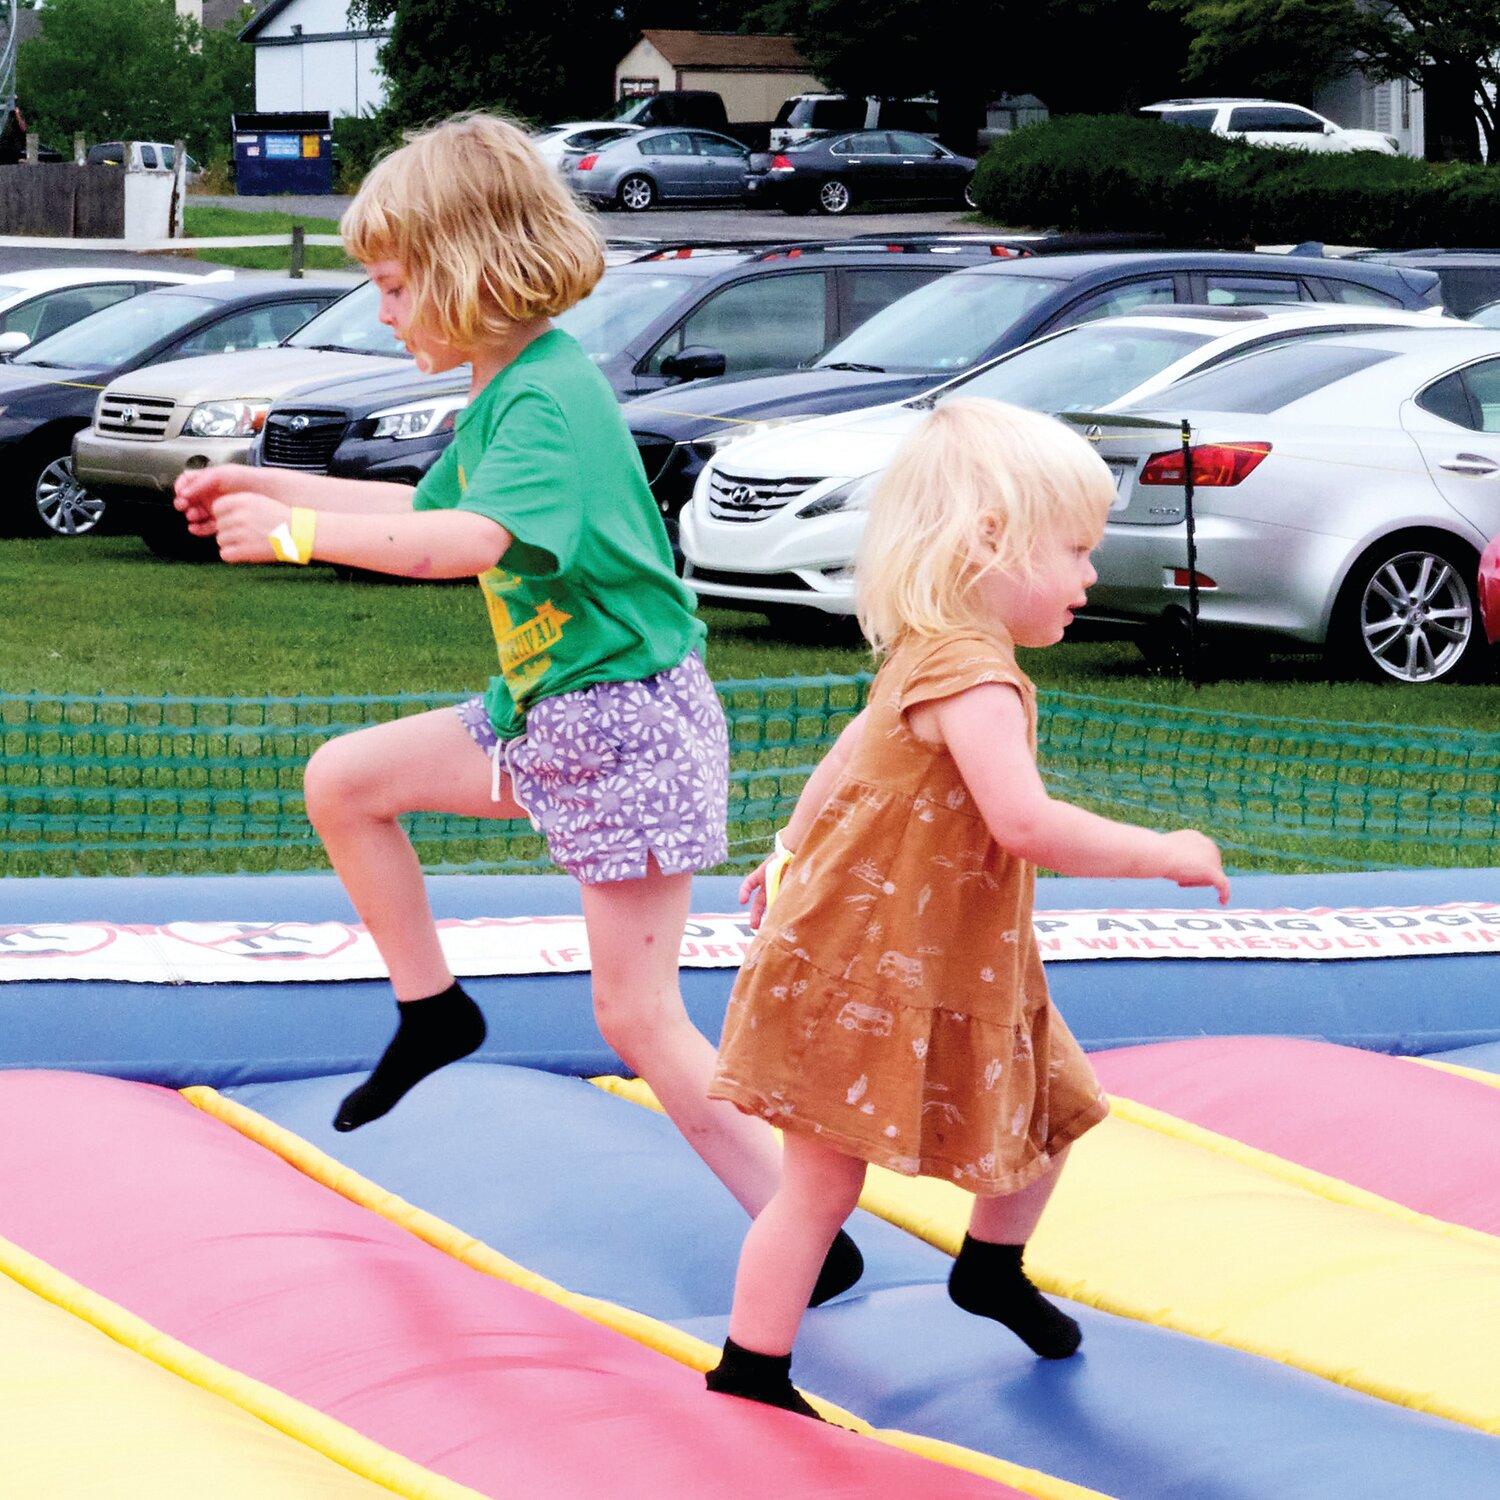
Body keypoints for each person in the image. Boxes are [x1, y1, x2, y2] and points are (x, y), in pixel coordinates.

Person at [172, 112, 862, 1306]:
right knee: (345, 780)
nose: (381, 311)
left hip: (629, 727)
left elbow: (462, 543)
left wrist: (290, 536)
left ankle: (802, 1225)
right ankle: (433, 1010)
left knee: (638, 1018)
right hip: (548, 713)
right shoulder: (506, 391)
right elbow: (411, 501)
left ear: (463, 269)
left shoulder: (545, 401)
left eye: (392, 286)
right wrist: (262, 478)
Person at [702, 398, 1230, 1418]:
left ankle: (988, 1267)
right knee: (820, 1186)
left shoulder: (931, 647)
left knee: (1056, 1106)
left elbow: (850, 755)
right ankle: (752, 1368)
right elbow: (1024, 823)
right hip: (875, 961)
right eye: (1075, 550)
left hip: (950, 952)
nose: (1089, 576)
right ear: (992, 541)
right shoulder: (973, 673)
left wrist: (792, 848)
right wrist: (1162, 851)